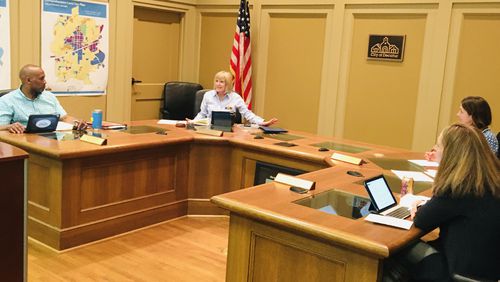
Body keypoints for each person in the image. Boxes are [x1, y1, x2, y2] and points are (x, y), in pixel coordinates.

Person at [407, 123, 500, 281]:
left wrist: (418, 204)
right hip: (490, 271)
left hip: (461, 274)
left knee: (402, 249)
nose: (435, 148)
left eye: (438, 145)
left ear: (450, 153)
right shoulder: (490, 181)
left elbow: (422, 220)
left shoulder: (459, 186)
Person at [0, 64, 87, 134]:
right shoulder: (7, 100)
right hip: (24, 144)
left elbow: (64, 118)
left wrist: (77, 122)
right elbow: (1, 127)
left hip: (52, 141)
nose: (45, 82)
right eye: (41, 78)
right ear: (28, 80)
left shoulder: (49, 97)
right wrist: (9, 127)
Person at [193, 71, 278, 126]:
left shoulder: (235, 97)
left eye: (222, 82)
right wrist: (192, 122)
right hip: (209, 130)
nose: (218, 84)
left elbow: (247, 113)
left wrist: (262, 122)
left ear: (228, 84)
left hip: (229, 132)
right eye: (217, 81)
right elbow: (202, 114)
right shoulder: (208, 95)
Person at [425, 96, 498, 160]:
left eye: (461, 111)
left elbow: (476, 163)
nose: (458, 114)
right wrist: (437, 153)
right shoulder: (464, 132)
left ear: (472, 116)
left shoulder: (488, 137)